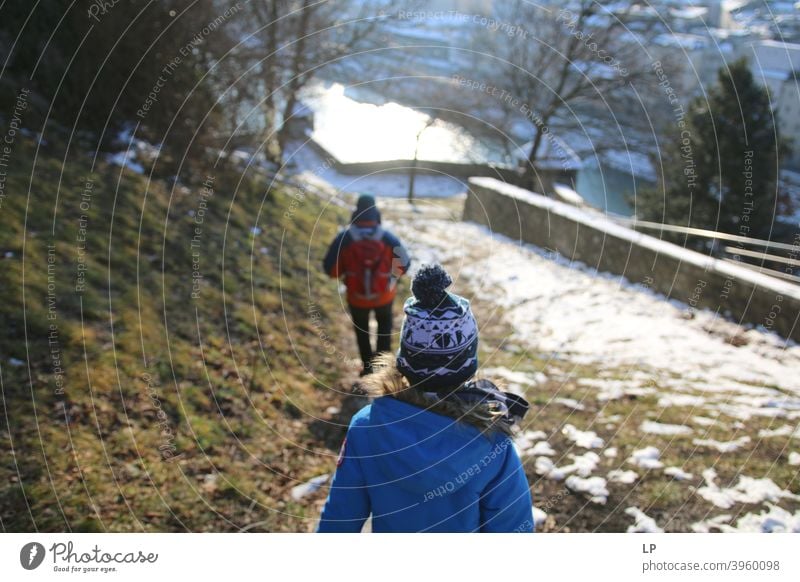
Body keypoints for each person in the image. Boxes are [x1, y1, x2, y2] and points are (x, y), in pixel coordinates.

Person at [317, 264, 534, 533]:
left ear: (406, 358)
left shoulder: (367, 427)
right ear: (468, 363)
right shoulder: (492, 443)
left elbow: (339, 519)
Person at [323, 194, 410, 376]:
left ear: (355, 213)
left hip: (357, 297)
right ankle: (383, 370)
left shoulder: (344, 239)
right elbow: (405, 265)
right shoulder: (387, 238)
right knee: (384, 329)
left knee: (362, 332)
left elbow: (331, 270)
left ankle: (368, 368)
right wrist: (391, 277)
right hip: (384, 295)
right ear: (376, 214)